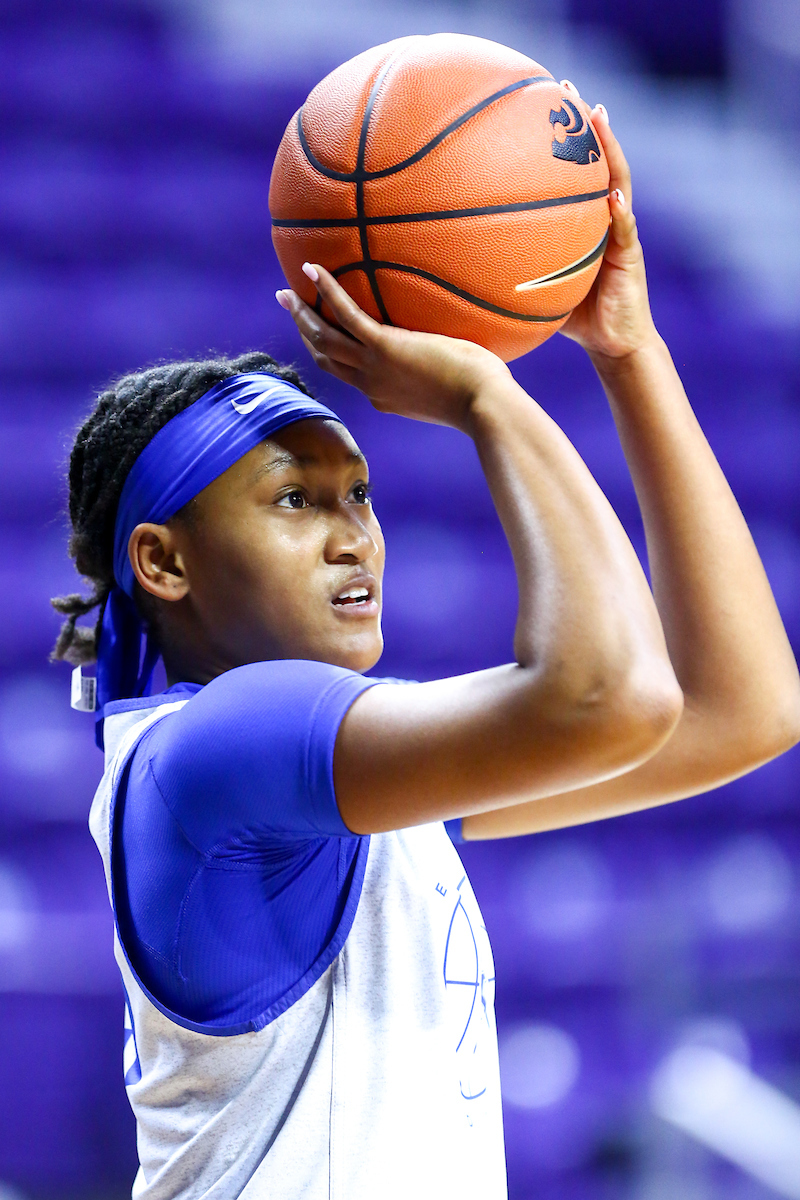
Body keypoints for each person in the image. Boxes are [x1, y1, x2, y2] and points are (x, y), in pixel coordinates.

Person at [52, 106, 800, 1200]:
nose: (351, 531)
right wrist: (485, 394)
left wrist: (627, 350)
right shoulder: (217, 746)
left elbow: (742, 711)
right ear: (162, 564)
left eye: (359, 493)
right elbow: (610, 698)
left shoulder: (331, 782)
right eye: (295, 499)